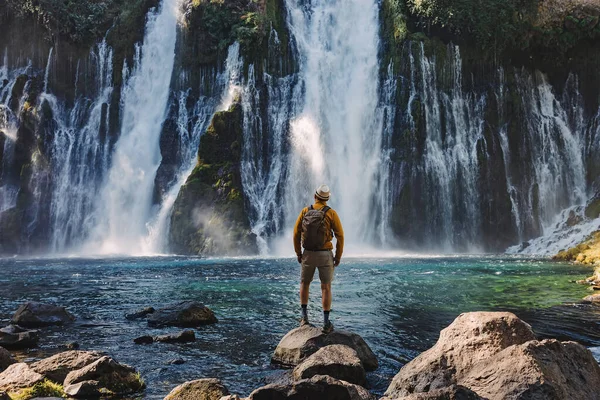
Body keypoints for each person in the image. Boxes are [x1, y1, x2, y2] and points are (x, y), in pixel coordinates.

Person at [293, 184, 344, 334]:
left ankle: (304, 318)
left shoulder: (305, 211)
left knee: (304, 283)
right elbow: (340, 236)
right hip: (325, 254)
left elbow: (296, 234)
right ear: (327, 199)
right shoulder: (331, 213)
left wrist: (298, 253)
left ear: (315, 196)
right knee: (326, 287)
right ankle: (326, 323)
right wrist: (338, 256)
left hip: (308, 253)